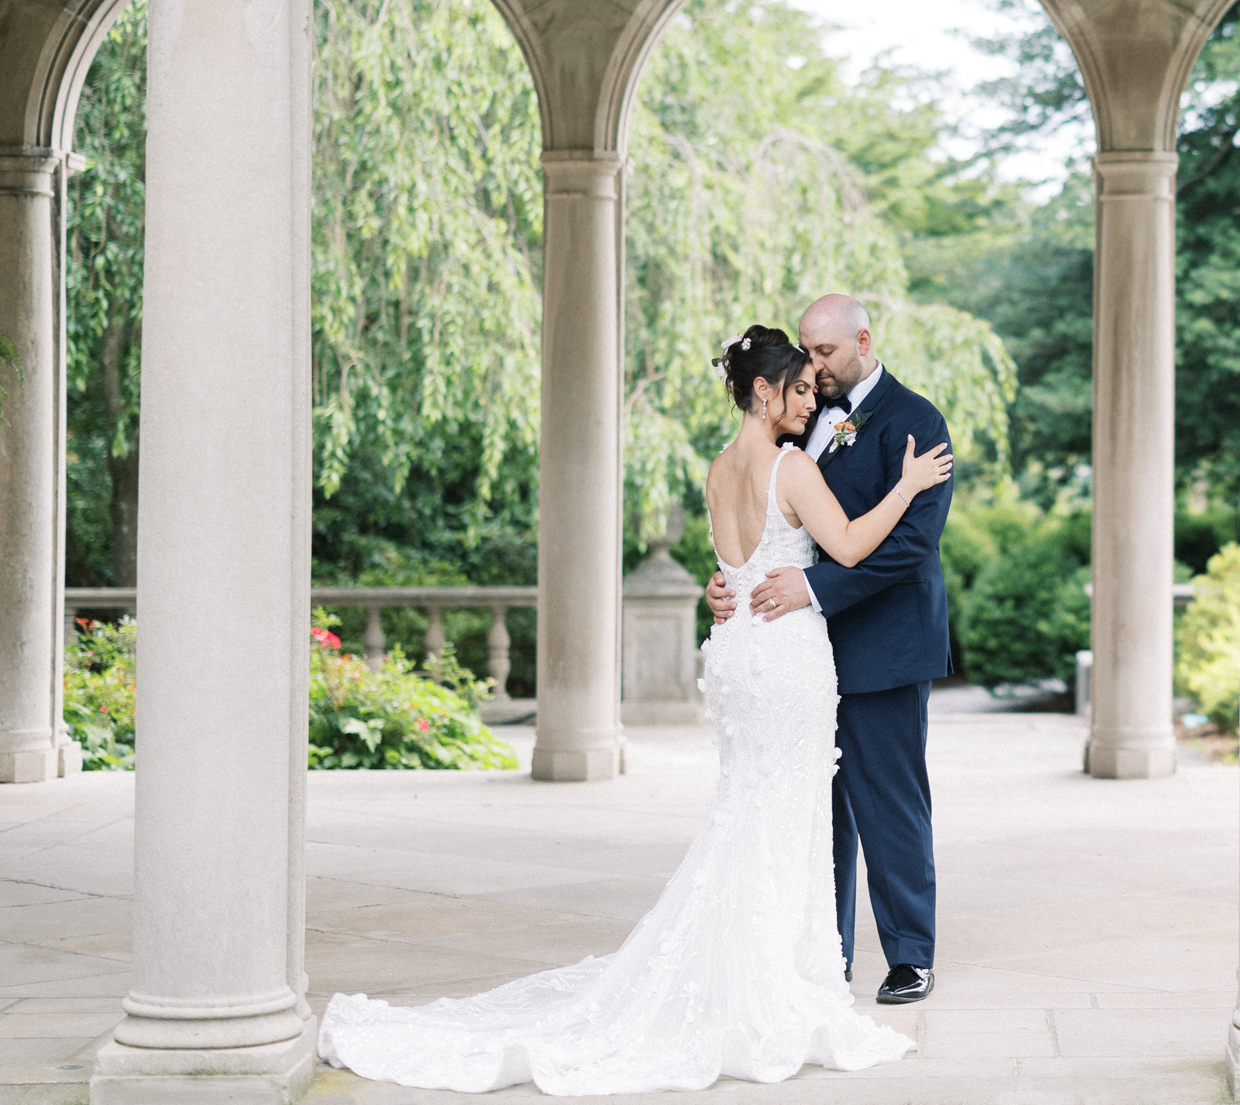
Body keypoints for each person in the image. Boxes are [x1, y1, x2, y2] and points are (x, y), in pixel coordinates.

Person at [316, 324, 953, 1092]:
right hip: (785, 656)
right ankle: (780, 975)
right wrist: (907, 486)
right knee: (789, 809)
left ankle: (797, 960)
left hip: (748, 650)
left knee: (759, 807)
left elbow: (742, 558)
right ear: (765, 390)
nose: (812, 391)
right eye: (798, 382)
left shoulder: (721, 468)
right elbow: (847, 543)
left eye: (818, 373)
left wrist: (731, 583)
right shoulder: (790, 460)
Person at [706, 293, 953, 1007]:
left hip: (881, 644)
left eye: (825, 353)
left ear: (863, 340)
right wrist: (726, 582)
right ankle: (826, 950)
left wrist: (811, 589)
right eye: (806, 356)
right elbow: (766, 527)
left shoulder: (916, 421)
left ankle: (910, 953)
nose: (814, 368)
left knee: (890, 801)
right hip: (797, 653)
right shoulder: (798, 427)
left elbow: (910, 546)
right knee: (817, 807)